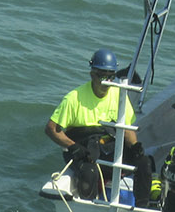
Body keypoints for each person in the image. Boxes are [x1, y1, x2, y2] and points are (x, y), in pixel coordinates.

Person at [45, 48, 145, 200]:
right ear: (92, 74)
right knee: (89, 173)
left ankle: (142, 208)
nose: (106, 82)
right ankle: (90, 209)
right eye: (101, 76)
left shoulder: (120, 96)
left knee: (145, 164)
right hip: (83, 150)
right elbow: (51, 129)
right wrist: (73, 147)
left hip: (108, 147)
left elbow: (127, 129)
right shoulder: (74, 98)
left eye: (110, 77)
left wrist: (135, 147)